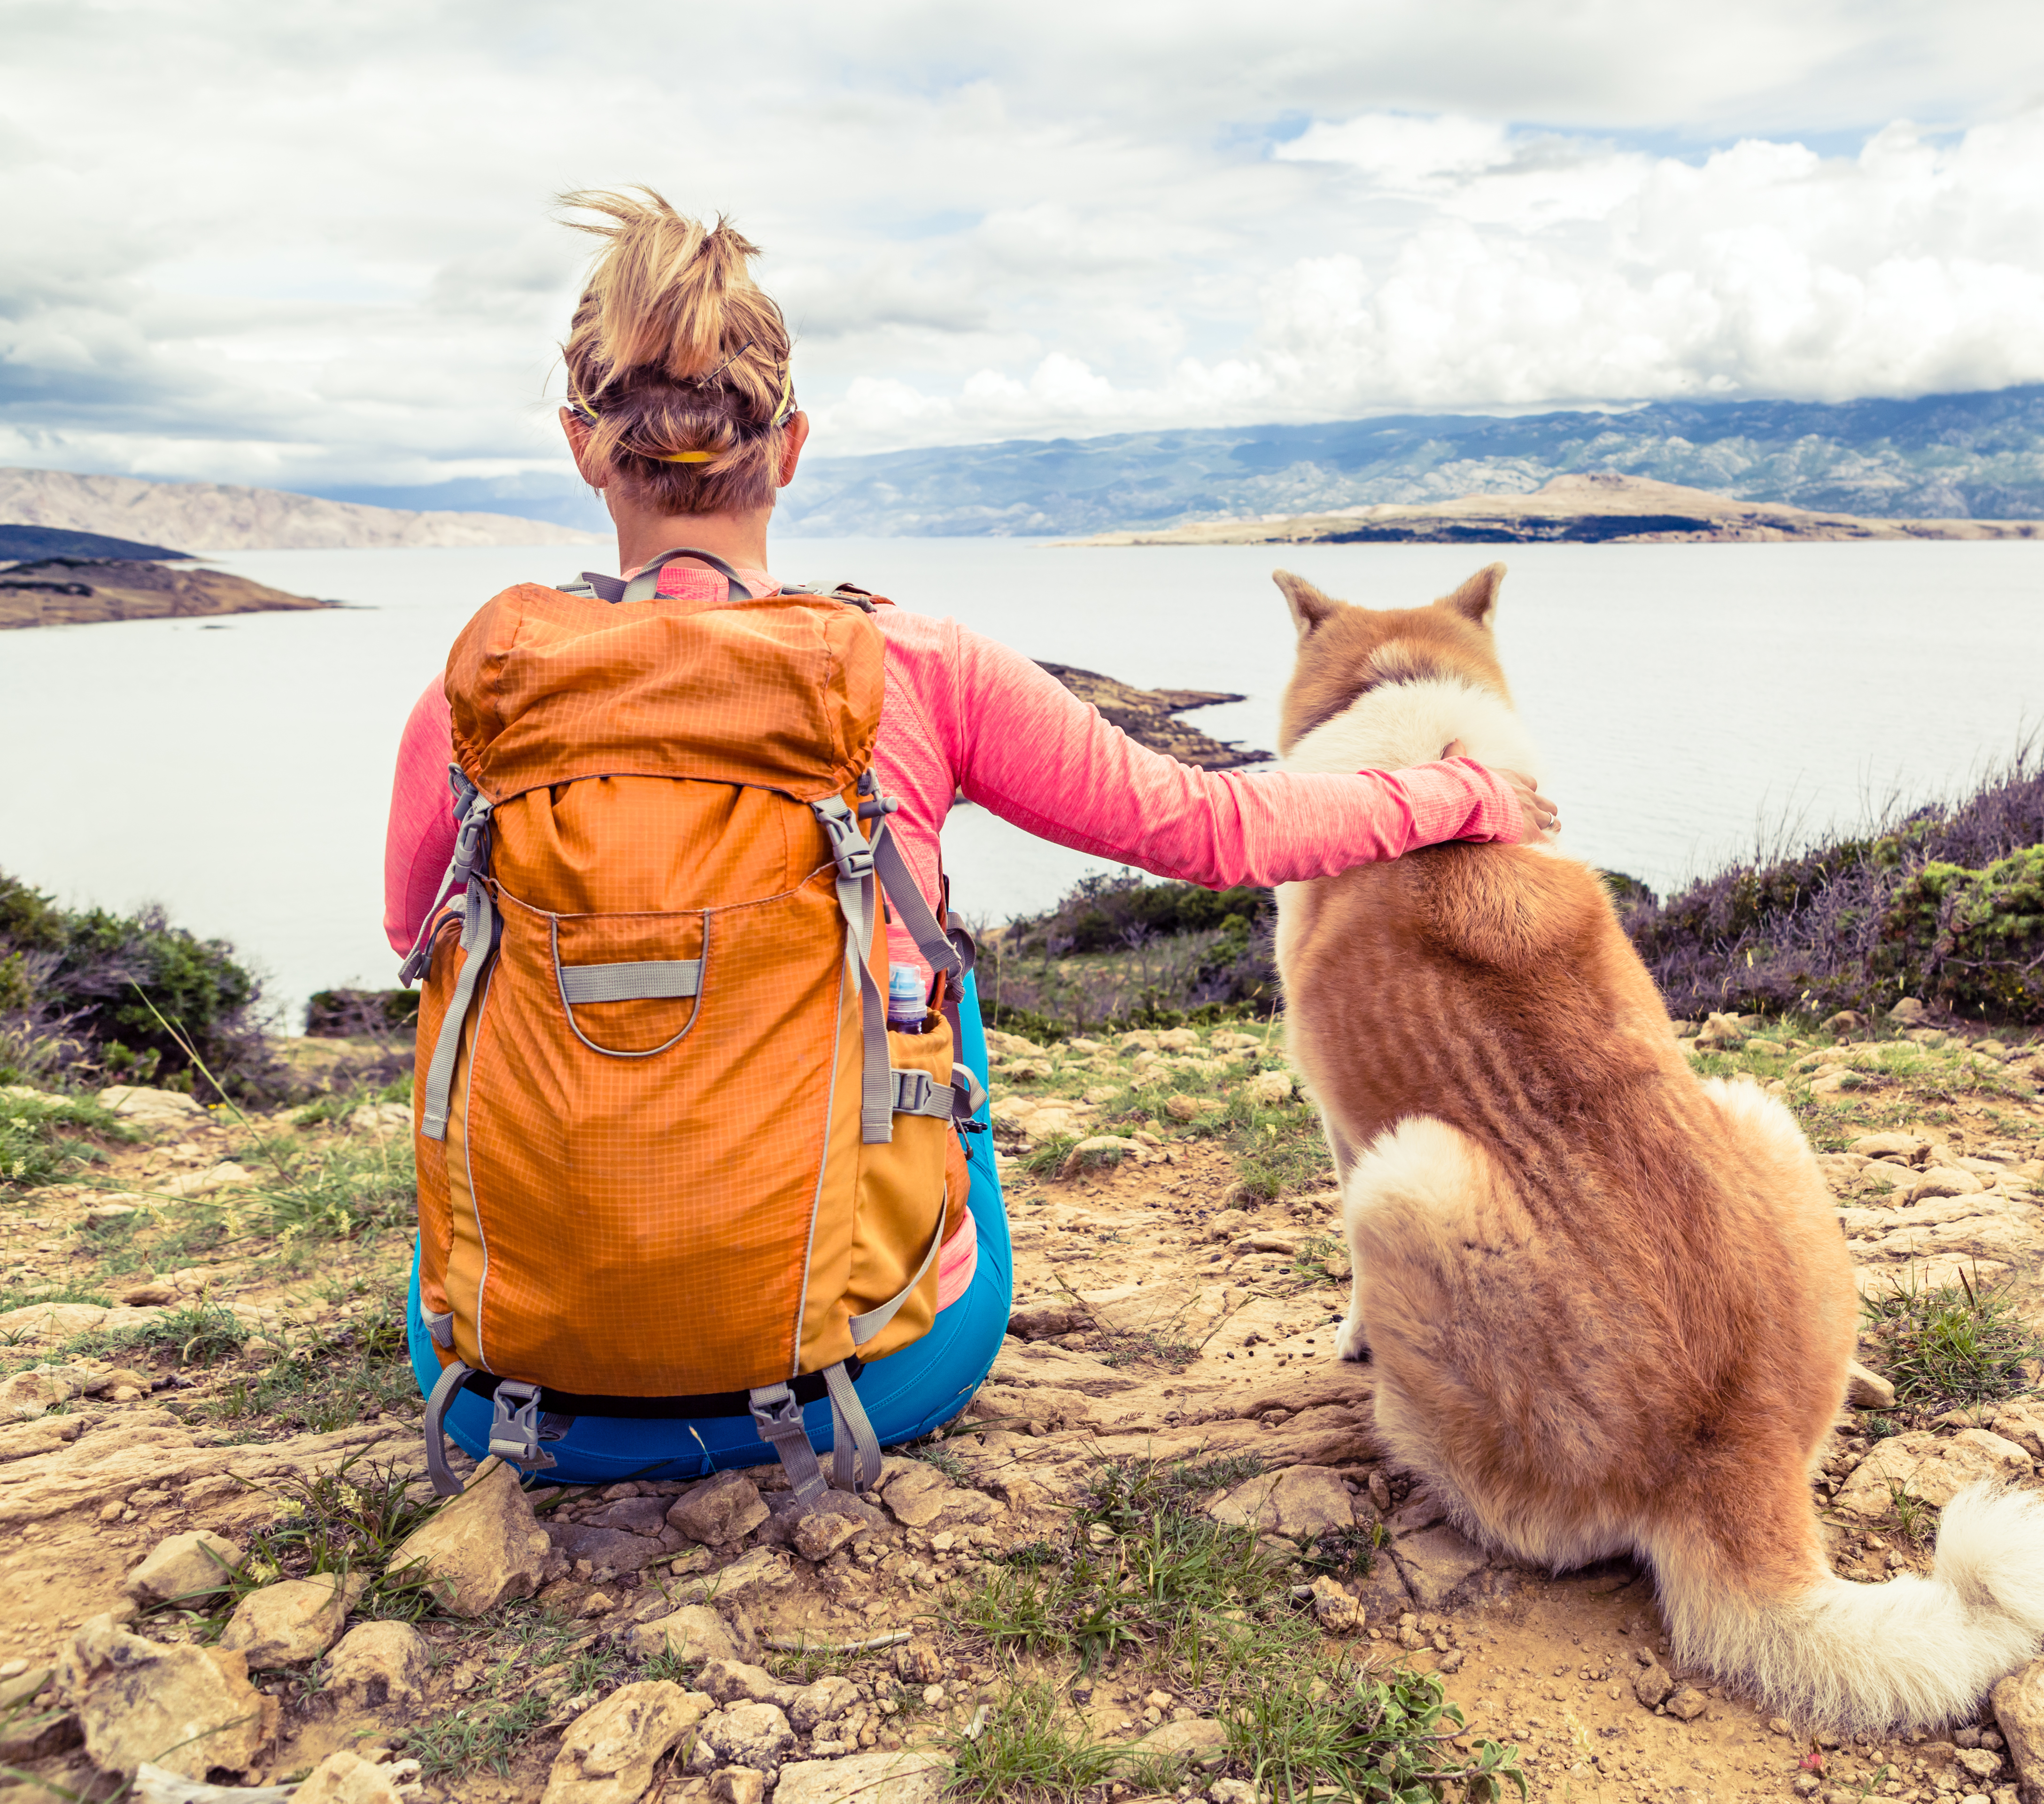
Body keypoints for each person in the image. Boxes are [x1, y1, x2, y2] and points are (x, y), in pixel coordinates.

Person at [381, 188, 1559, 1485]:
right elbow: (1213, 829)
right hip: (871, 1375)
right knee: (923, 961)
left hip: (506, 1384)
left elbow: (410, 940)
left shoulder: (477, 693)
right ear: (793, 443)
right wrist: (1462, 794)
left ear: (581, 444)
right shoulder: (917, 668)